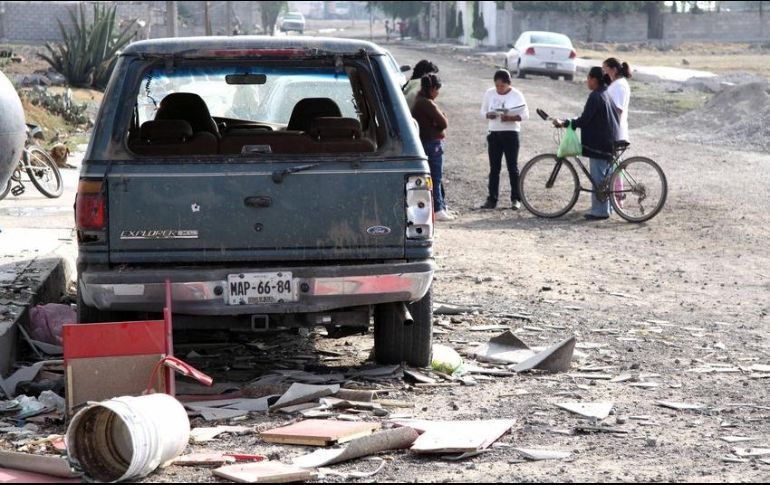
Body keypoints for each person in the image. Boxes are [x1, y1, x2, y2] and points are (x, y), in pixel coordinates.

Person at [552, 66, 620, 221]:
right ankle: (608, 208)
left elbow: (584, 120)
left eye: (588, 78)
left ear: (594, 79)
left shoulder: (595, 96)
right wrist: (569, 121)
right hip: (610, 140)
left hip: (599, 143)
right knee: (606, 178)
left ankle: (600, 211)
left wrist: (566, 123)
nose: (586, 81)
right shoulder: (605, 94)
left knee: (598, 177)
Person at [479, 69, 529, 210]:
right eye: (497, 86)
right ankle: (492, 199)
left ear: (509, 84)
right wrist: (488, 115)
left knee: (512, 167)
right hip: (494, 133)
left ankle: (516, 198)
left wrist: (511, 118)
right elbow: (482, 112)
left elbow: (525, 114)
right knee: (494, 168)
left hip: (511, 134)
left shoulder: (517, 95)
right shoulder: (489, 93)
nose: (499, 88)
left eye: (502, 86)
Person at [411, 73, 454, 222]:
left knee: (433, 177)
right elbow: (443, 123)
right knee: (435, 177)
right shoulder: (427, 103)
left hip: (427, 142)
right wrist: (440, 118)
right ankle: (438, 210)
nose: (437, 93)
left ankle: (439, 207)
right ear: (432, 88)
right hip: (432, 144)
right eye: (437, 90)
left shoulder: (419, 101)